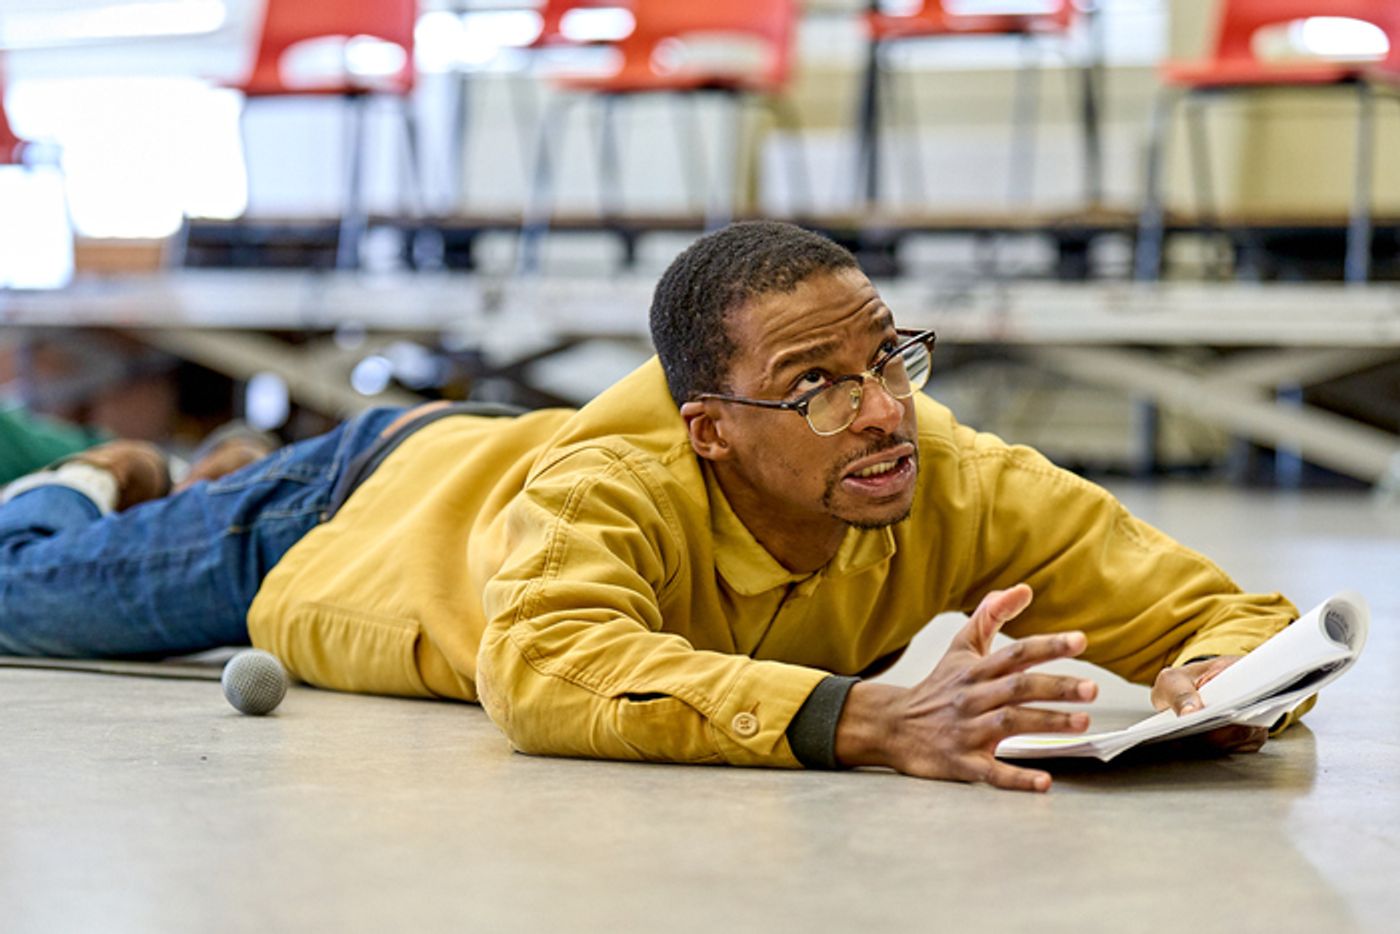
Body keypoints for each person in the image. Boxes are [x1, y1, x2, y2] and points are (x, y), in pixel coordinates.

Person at [0, 221, 1300, 791]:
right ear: (710, 430)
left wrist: (1216, 675)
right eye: (820, 388)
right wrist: (856, 718)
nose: (885, 411)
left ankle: (183, 464)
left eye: (888, 358)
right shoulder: (611, 483)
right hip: (348, 504)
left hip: (472, 457)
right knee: (16, 586)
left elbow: (1219, 604)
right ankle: (108, 472)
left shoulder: (945, 466)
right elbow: (550, 664)